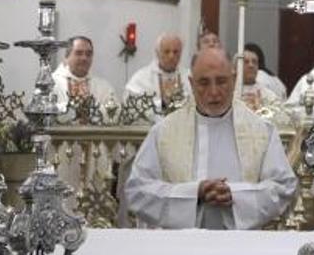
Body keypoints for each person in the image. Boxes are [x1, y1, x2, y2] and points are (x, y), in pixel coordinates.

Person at [124, 48, 296, 229]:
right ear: (191, 83)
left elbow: (283, 187)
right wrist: (194, 193)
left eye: (221, 81)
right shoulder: (163, 132)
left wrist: (236, 195)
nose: (213, 92)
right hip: (179, 248)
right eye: (204, 83)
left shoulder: (262, 131)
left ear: (234, 79)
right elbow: (137, 190)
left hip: (242, 248)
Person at [125, 33, 190, 113]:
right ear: (157, 53)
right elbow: (133, 107)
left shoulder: (189, 76)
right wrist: (164, 102)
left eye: (176, 52)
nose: (171, 56)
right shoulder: (141, 78)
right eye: (167, 51)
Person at [52, 35, 117, 112]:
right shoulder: (52, 83)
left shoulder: (103, 86)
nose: (84, 58)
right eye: (79, 53)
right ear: (67, 57)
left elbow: (115, 112)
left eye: (88, 54)